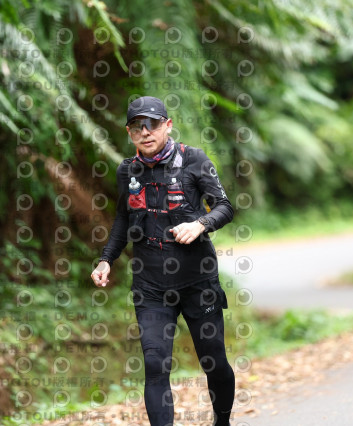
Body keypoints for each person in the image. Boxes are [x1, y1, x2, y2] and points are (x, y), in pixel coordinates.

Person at [90, 96, 235, 426]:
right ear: (129, 133)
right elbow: (123, 219)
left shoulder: (194, 160)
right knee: (155, 366)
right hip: (151, 287)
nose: (145, 132)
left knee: (214, 361)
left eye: (152, 124)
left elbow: (225, 207)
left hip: (198, 282)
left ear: (167, 125)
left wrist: (200, 224)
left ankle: (222, 421)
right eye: (136, 127)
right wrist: (106, 259)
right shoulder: (127, 170)